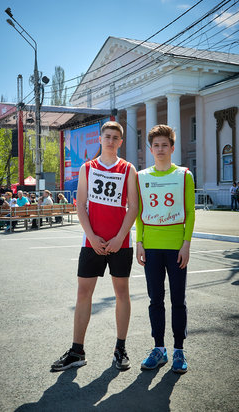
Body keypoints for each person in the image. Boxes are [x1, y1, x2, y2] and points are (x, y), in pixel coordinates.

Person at [51, 121, 138, 372]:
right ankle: (77, 351)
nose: (110, 141)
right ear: (100, 139)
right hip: (92, 242)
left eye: (115, 138)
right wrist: (91, 236)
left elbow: (133, 207)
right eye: (107, 136)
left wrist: (119, 237)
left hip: (120, 242)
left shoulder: (128, 169)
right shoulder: (87, 168)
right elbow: (80, 206)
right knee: (82, 294)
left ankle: (120, 349)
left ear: (120, 142)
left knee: (122, 293)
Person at [136, 124, 195, 374]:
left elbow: (190, 212)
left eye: (164, 145)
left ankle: (179, 350)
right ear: (150, 149)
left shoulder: (184, 175)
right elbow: (139, 213)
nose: (160, 149)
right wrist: (139, 242)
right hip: (151, 247)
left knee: (178, 300)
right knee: (155, 300)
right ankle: (159, 349)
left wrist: (186, 244)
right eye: (156, 145)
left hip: (175, 248)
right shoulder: (141, 177)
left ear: (172, 147)